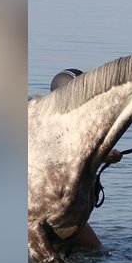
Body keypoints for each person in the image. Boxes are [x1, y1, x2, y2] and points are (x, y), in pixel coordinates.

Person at [49, 67, 121, 253]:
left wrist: (102, 155)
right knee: (98, 251)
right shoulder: (50, 129)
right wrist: (102, 156)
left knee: (98, 251)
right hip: (48, 214)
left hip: (63, 213)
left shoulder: (75, 127)